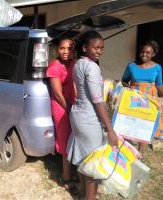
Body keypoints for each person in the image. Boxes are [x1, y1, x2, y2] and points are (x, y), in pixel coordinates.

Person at [67, 31, 118, 200]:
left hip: (78, 115)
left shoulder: (78, 64)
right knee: (93, 164)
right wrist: (110, 129)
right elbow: (97, 100)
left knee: (84, 160)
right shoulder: (92, 67)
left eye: (101, 48)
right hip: (89, 118)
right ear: (84, 48)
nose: (99, 51)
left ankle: (83, 195)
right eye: (95, 47)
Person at [121, 40, 163, 152]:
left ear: (153, 54)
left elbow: (159, 85)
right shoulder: (131, 66)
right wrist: (130, 90)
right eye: (142, 52)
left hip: (150, 99)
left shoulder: (157, 67)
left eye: (148, 52)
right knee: (130, 123)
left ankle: (139, 154)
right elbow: (124, 81)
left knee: (145, 124)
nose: (144, 54)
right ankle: (126, 150)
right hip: (134, 98)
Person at [46, 38, 76, 192]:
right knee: (65, 140)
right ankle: (66, 177)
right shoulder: (54, 67)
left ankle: (74, 171)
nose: (66, 51)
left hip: (73, 104)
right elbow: (57, 94)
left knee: (75, 137)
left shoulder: (73, 64)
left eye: (69, 49)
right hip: (62, 107)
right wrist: (70, 109)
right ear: (58, 50)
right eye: (63, 48)